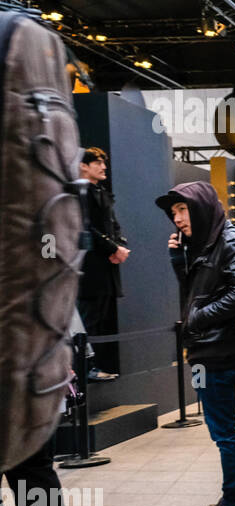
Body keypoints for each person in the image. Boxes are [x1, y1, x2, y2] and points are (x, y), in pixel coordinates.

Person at [156, 182, 235, 506]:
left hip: (220, 351)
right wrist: (178, 261)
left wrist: (198, 319)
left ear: (199, 206)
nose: (178, 219)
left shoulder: (229, 241)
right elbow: (195, 292)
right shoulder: (204, 241)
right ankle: (232, 497)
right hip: (204, 351)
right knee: (221, 431)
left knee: (225, 432)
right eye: (174, 213)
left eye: (182, 210)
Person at [78, 148, 129, 381]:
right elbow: (86, 227)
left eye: (103, 162)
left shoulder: (102, 193)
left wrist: (119, 246)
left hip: (106, 267)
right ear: (83, 166)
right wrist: (113, 248)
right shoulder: (80, 194)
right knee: (88, 319)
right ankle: (84, 369)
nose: (103, 166)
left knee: (100, 319)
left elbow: (114, 225)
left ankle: (94, 367)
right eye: (97, 162)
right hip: (90, 269)